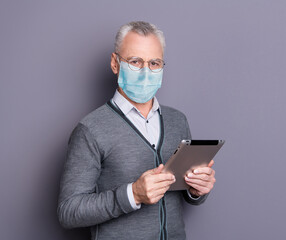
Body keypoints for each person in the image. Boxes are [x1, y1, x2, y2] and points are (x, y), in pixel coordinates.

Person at [57, 21, 216, 240]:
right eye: (135, 61)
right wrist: (132, 195)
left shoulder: (177, 121)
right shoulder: (90, 130)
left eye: (154, 63)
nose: (145, 71)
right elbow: (69, 211)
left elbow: (184, 193)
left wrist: (197, 190)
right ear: (115, 63)